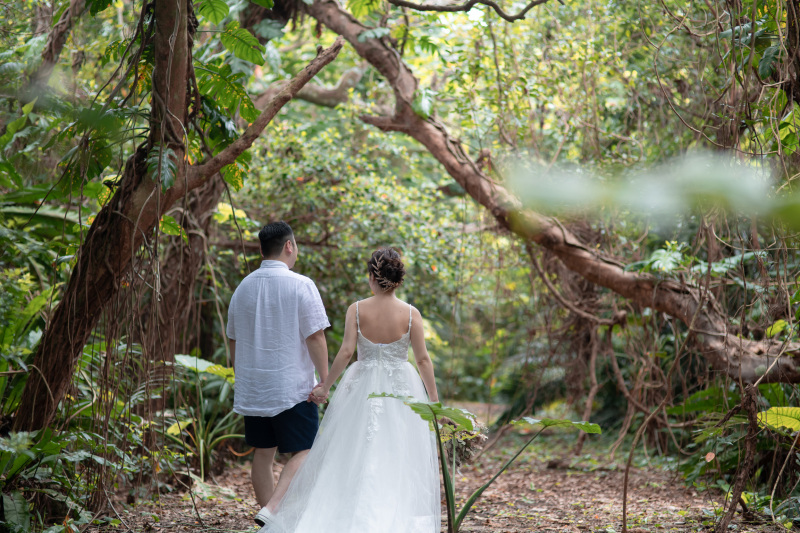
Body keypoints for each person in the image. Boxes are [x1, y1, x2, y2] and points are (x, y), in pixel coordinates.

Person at [259, 247, 441, 533]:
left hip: (361, 387)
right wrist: (433, 401)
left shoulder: (356, 310)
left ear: (372, 276)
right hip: (402, 389)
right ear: (397, 279)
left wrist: (324, 387)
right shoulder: (410, 314)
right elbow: (422, 360)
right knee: (397, 453)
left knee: (351, 451)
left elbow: (345, 353)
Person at [225, 221, 330, 527]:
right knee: (307, 451)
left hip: (255, 386)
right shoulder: (300, 285)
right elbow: (315, 336)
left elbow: (234, 340)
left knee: (263, 452)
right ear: (288, 246)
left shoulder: (242, 288)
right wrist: (325, 379)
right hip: (292, 387)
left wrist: (242, 376)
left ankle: (271, 522)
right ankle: (272, 511)